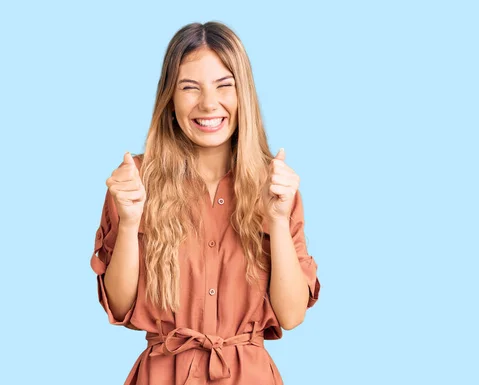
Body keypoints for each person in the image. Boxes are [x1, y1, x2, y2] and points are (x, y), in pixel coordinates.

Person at [90, 22, 320, 385]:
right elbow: (119, 306)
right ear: (170, 98)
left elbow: (291, 316)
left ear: (243, 94)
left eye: (224, 86)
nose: (208, 104)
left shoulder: (275, 184)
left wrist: (276, 220)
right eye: (189, 88)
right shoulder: (134, 181)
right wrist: (131, 221)